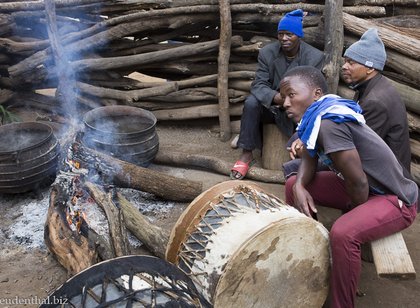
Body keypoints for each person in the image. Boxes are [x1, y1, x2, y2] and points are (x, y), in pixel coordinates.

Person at [281, 65, 417, 308]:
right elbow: (309, 159)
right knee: (293, 184)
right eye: (283, 98)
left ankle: (341, 303)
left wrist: (355, 215)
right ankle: (308, 252)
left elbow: (359, 182)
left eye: (292, 95)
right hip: (366, 189)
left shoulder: (329, 123)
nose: (285, 103)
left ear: (315, 93)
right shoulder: (316, 117)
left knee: (344, 233)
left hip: (394, 199)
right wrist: (300, 186)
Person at [283, 28, 412, 180]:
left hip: (384, 177)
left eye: (351, 62)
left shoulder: (376, 101)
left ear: (370, 67)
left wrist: (309, 144)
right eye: (345, 61)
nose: (344, 66)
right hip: (366, 163)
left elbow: (355, 146)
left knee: (295, 167)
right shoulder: (367, 88)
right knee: (298, 138)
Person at [230, 9, 324, 180]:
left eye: (289, 34)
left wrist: (291, 100)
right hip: (273, 106)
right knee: (251, 103)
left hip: (298, 110)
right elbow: (259, 84)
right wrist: (276, 98)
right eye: (280, 34)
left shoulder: (314, 57)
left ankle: (303, 158)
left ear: (299, 36)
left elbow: (312, 91)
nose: (284, 39)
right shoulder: (268, 53)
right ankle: (246, 153)